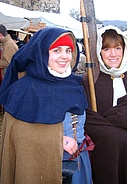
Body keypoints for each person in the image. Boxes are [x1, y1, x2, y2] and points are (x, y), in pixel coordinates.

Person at [0, 27, 93, 184]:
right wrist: (58, 140)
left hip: (78, 164)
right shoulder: (25, 89)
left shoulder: (75, 83)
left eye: (68, 50)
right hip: (38, 166)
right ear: (41, 53)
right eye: (56, 50)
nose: (65, 56)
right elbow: (19, 136)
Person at [82, 25, 127, 184]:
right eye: (106, 49)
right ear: (99, 51)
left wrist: (105, 126)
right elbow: (87, 117)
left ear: (124, 49)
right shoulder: (90, 80)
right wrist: (108, 131)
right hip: (101, 150)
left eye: (117, 48)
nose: (113, 54)